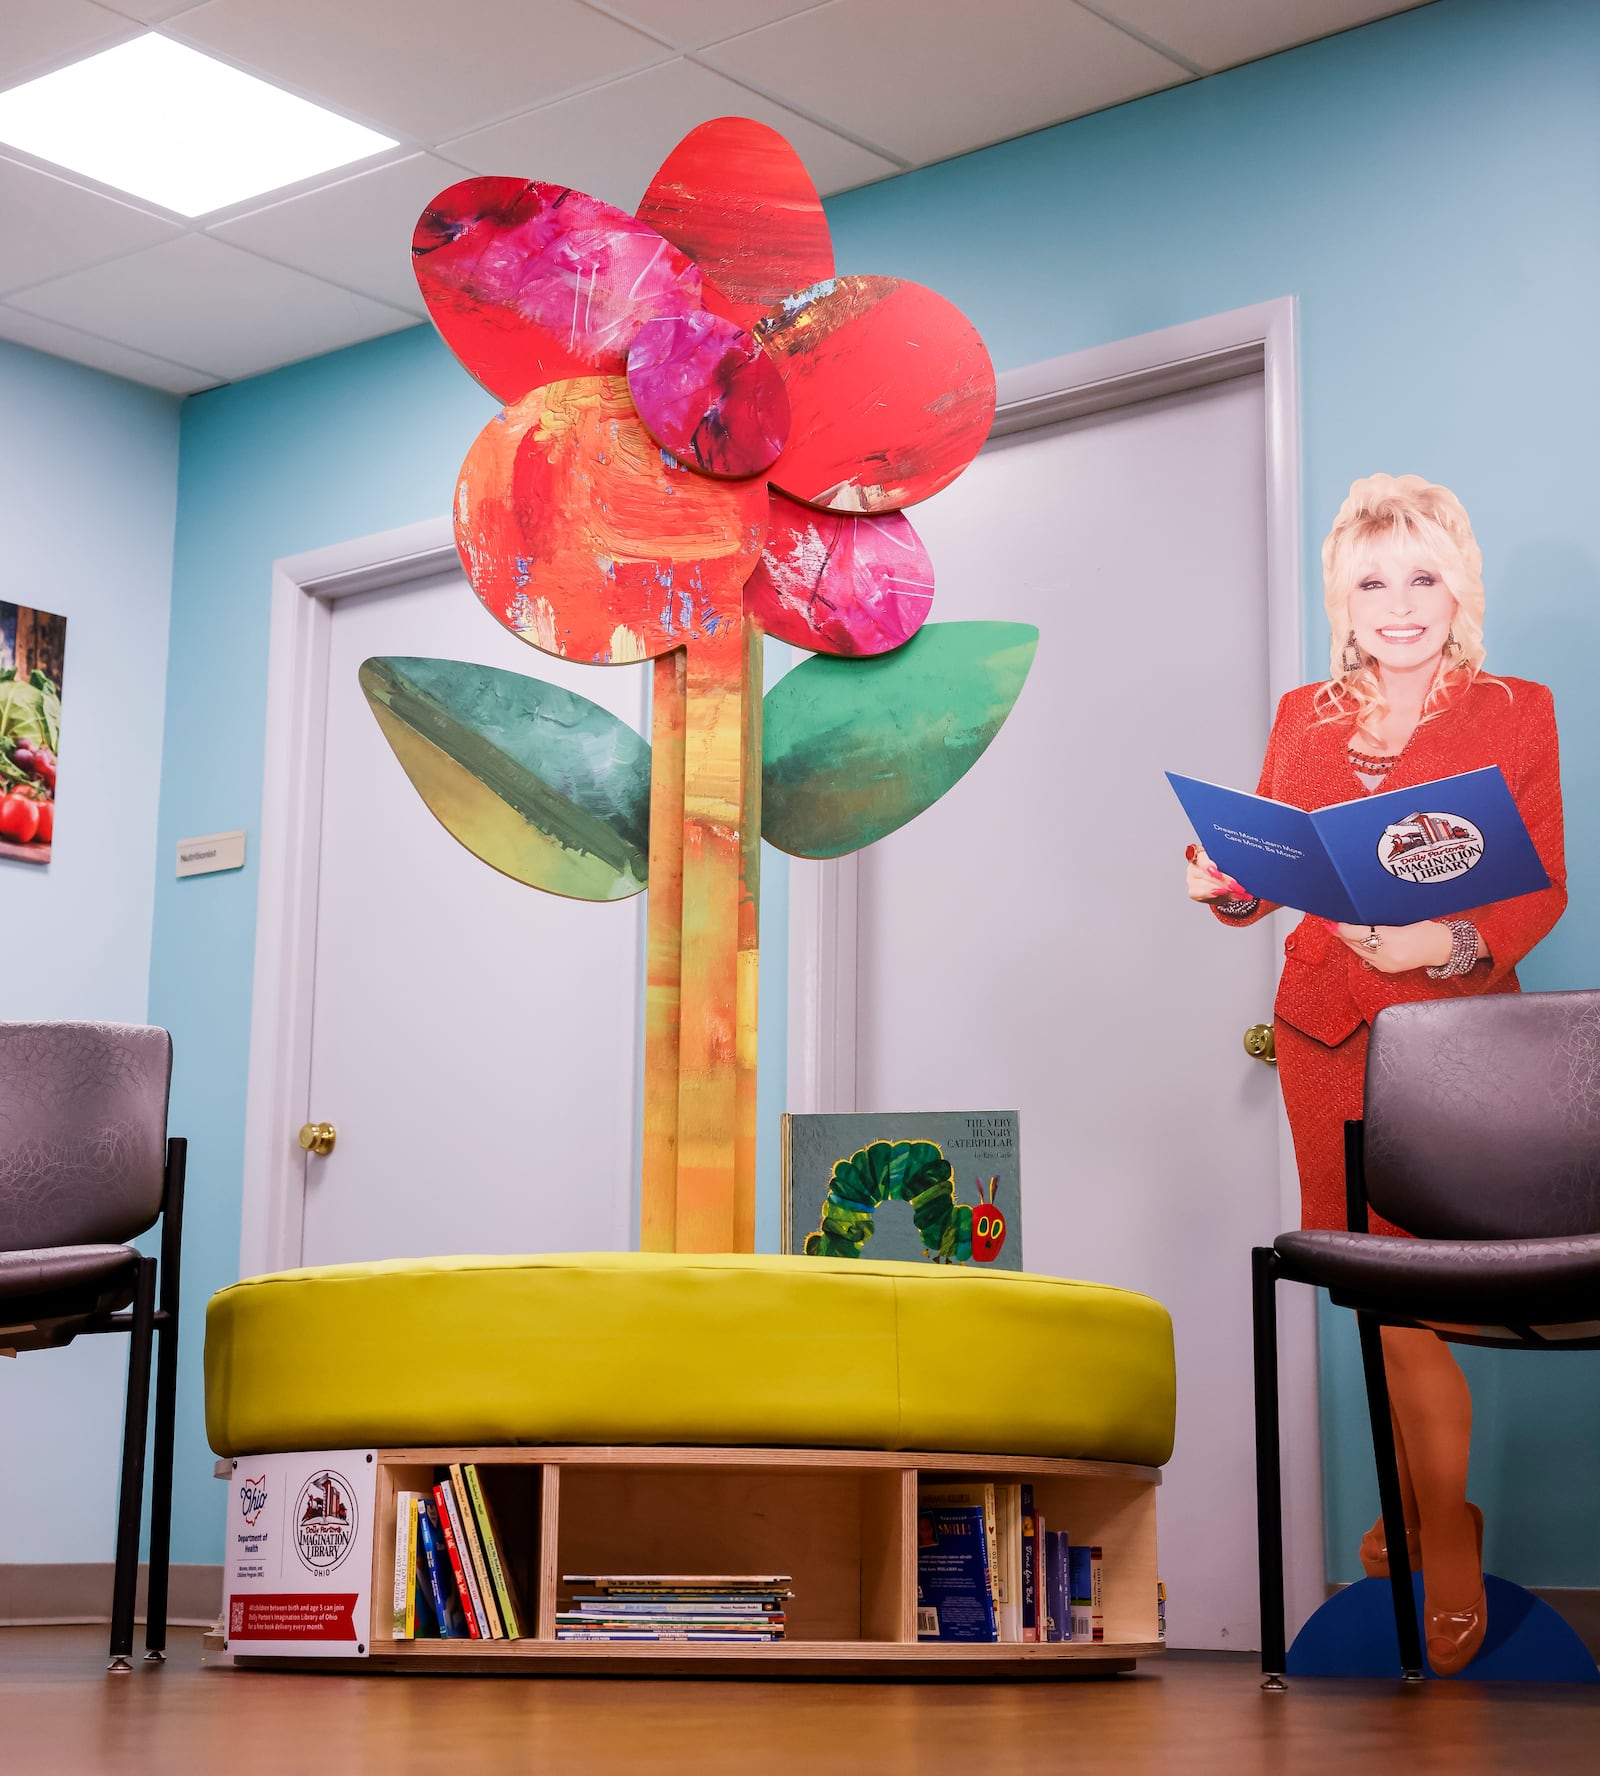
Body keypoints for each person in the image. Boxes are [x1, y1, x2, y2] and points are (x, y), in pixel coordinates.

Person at [1185, 473, 1566, 1675]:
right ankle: (1423, 1520)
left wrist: (1441, 941)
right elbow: (1276, 873)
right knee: (1376, 1290)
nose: (1398, 603)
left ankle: (1436, 1531)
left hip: (1455, 1044)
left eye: (1421, 575)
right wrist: (1225, 886)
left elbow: (1542, 881)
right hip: (1325, 1034)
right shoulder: (1303, 713)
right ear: (1339, 602)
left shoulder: (1515, 707)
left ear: (1459, 588)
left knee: (1429, 1285)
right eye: (1370, 580)